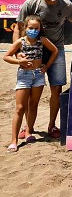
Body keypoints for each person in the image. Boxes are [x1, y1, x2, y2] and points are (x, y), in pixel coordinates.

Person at [14, 0, 72, 139]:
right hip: (33, 51)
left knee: (56, 89)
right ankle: (27, 127)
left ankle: (52, 125)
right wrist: (18, 52)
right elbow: (18, 28)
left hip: (56, 50)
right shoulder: (31, 4)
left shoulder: (66, 5)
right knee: (30, 90)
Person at [4, 15, 59, 152]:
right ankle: (14, 140)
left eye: (36, 28)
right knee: (20, 108)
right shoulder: (21, 42)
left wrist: (47, 66)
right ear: (25, 28)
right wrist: (19, 61)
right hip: (24, 75)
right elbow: (6, 56)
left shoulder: (42, 40)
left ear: (40, 29)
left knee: (33, 105)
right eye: (31, 28)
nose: (33, 30)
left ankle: (29, 132)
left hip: (38, 76)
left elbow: (55, 51)